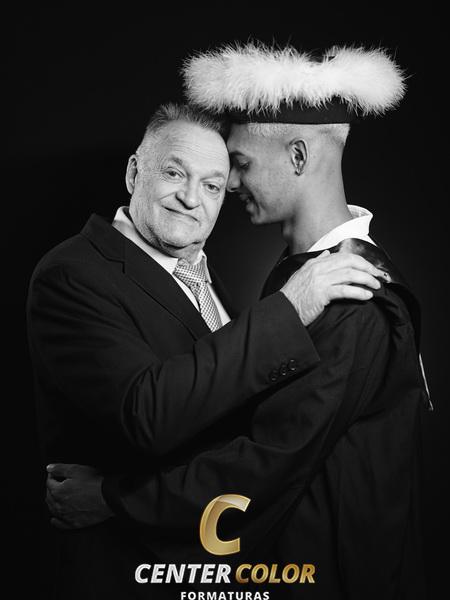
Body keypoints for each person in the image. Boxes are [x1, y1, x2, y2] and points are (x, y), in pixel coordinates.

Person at [28, 101, 381, 599]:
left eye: (212, 185)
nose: (191, 198)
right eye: (175, 173)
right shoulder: (72, 273)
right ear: (134, 173)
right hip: (128, 571)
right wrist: (290, 307)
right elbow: (145, 414)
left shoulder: (209, 281)